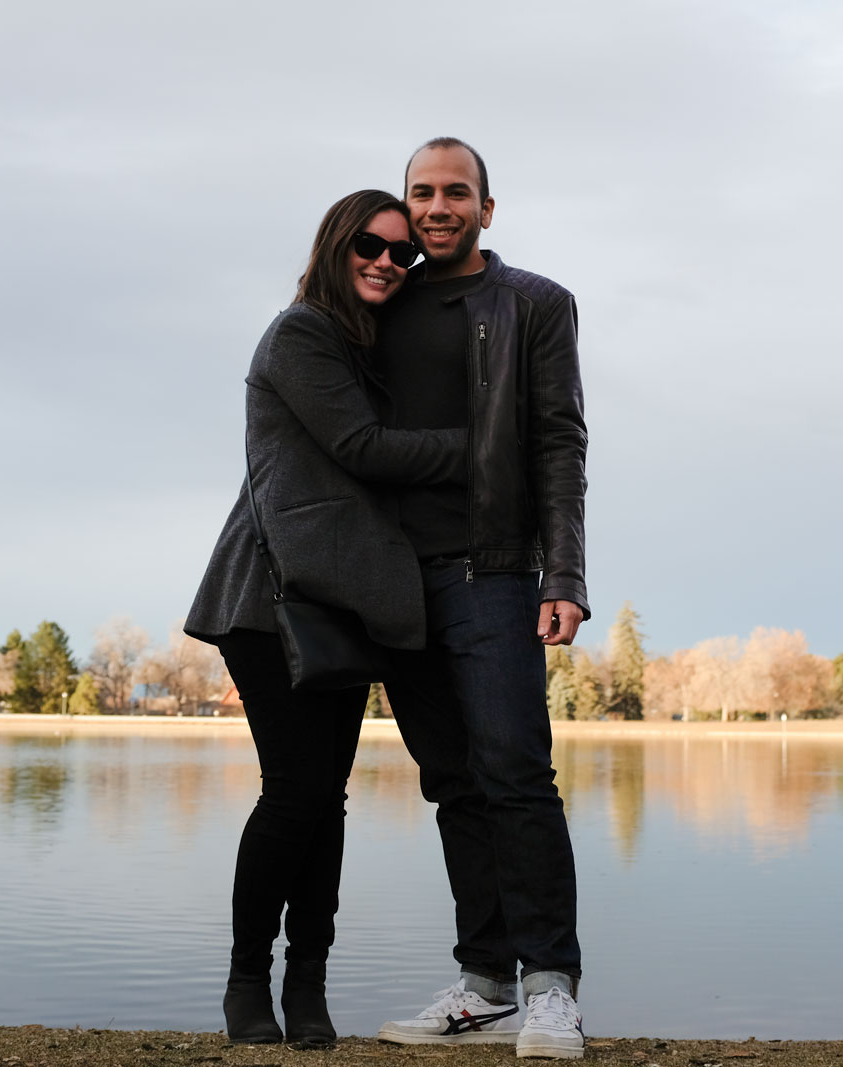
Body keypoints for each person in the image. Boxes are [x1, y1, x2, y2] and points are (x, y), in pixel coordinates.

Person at [185, 189, 468, 1047]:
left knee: (325, 798)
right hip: (268, 602)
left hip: (338, 603)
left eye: (402, 254)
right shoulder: (301, 334)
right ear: (336, 248)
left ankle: (306, 983)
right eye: (370, 248)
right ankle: (245, 984)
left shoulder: (364, 347)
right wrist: (483, 447)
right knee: (297, 792)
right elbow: (360, 450)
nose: (388, 262)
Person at [371, 138, 589, 1059]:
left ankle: (551, 990)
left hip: (491, 571)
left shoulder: (534, 303)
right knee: (452, 782)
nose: (436, 206)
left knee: (514, 774)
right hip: (393, 582)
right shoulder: (374, 300)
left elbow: (558, 444)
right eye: (422, 191)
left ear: (486, 209)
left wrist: (565, 576)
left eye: (456, 192)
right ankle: (485, 983)